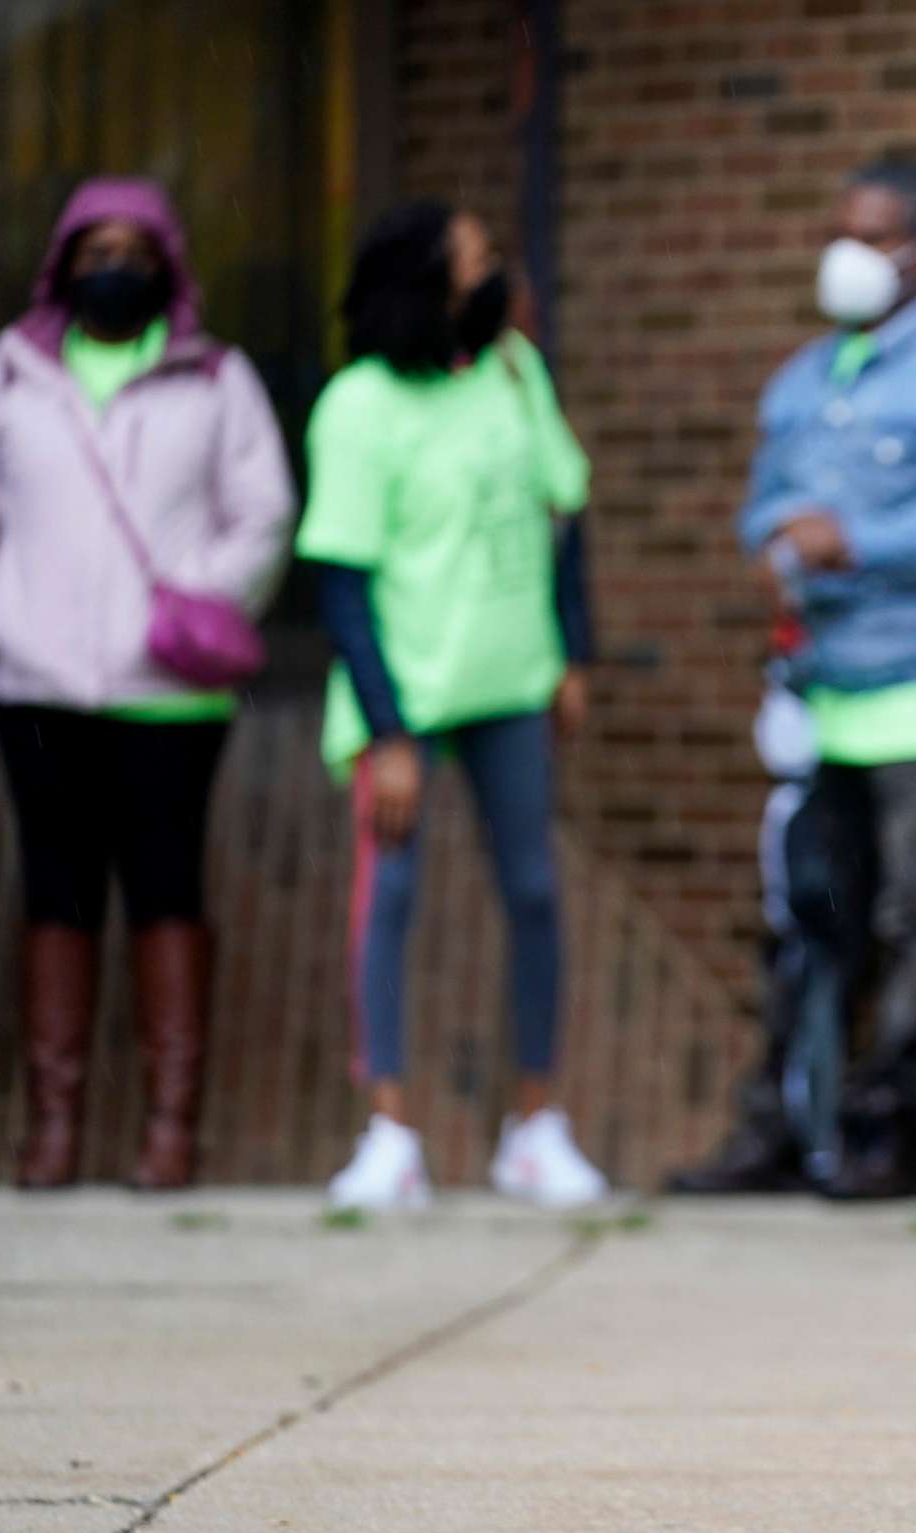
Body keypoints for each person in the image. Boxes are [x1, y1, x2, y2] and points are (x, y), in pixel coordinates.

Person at [0, 177, 295, 1192]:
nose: (113, 268)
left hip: (170, 691)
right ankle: (55, 1127)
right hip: (37, 687)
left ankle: (172, 1129)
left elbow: (262, 512)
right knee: (58, 889)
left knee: (166, 888)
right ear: (63, 263)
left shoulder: (215, 378)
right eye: (95, 250)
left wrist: (192, 601)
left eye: (134, 249)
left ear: (167, 265)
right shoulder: (10, 375)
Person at [736, 161, 916, 1201]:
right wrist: (783, 543)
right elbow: (763, 508)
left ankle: (883, 1131)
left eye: (874, 235)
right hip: (819, 694)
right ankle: (780, 1124)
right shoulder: (808, 373)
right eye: (842, 231)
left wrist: (848, 542)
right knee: (808, 918)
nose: (849, 254)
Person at [305, 200, 607, 1212]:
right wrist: (388, 732)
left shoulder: (517, 373)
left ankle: (535, 1126)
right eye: (475, 264)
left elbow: (565, 513)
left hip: (512, 680)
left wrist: (573, 650)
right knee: (387, 899)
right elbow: (341, 581)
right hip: (409, 692)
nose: (494, 280)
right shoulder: (360, 404)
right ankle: (388, 1133)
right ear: (422, 283)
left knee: (533, 893)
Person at [663, 616, 826, 1196]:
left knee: (835, 953)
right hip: (803, 790)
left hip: (863, 770)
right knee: (796, 955)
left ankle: (828, 1137)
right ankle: (786, 1130)